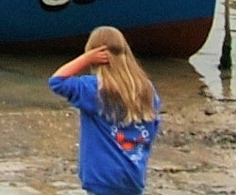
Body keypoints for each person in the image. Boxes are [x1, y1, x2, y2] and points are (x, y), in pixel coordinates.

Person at [48, 25, 161, 195]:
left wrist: (86, 59)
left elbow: (57, 81)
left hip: (102, 178)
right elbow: (152, 128)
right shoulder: (146, 89)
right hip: (133, 176)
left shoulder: (94, 88)